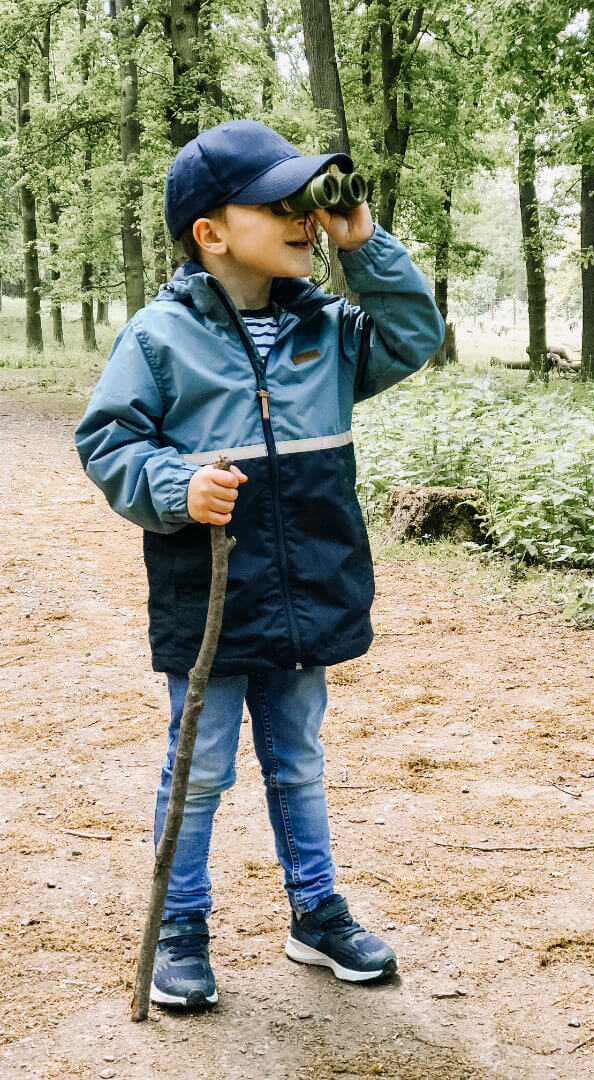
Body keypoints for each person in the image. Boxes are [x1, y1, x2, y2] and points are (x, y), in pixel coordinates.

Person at [75, 120, 445, 1009]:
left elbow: (412, 332)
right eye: (280, 207)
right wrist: (175, 482)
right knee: (200, 763)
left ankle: (314, 913)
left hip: (310, 587)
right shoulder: (160, 338)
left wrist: (367, 243)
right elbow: (107, 441)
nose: (305, 222)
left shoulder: (329, 330)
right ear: (211, 232)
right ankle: (182, 926)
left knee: (299, 760)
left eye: (308, 205)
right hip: (209, 590)